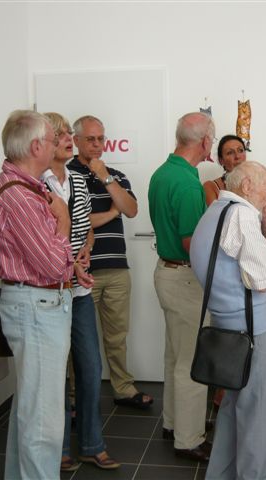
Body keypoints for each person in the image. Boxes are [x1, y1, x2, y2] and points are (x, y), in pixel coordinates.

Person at [0, 110, 76, 479]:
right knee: (43, 425)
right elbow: (53, 265)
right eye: (52, 139)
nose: (57, 144)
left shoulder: (12, 185)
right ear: (36, 146)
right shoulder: (21, 196)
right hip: (37, 308)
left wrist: (18, 256)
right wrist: (62, 220)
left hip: (33, 303)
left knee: (32, 412)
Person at [190, 161, 266, 480]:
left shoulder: (214, 211)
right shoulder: (242, 215)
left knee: (233, 408)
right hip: (251, 328)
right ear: (246, 186)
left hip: (225, 323)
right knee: (259, 414)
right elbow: (261, 279)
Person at [41, 113, 119, 471]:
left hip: (79, 292)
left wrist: (86, 249)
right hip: (51, 291)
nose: (67, 139)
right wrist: (70, 261)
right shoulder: (36, 183)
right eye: (59, 134)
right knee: (56, 372)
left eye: (66, 133)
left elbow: (86, 227)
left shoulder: (76, 179)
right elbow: (42, 239)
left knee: (90, 366)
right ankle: (57, 449)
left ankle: (91, 444)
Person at [68, 115, 153, 409]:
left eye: (101, 138)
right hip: (82, 271)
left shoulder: (115, 175)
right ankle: (75, 397)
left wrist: (104, 176)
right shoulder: (65, 176)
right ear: (76, 140)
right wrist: (111, 213)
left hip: (117, 269)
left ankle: (123, 388)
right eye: (90, 139)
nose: (97, 144)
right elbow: (76, 220)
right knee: (79, 341)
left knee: (117, 336)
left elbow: (131, 209)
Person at [148, 111, 214, 462]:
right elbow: (192, 244)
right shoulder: (188, 184)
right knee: (191, 360)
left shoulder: (163, 173)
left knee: (175, 354)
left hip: (166, 272)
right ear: (205, 141)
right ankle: (189, 439)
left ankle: (173, 422)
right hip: (185, 276)